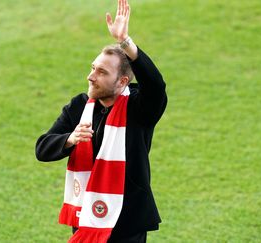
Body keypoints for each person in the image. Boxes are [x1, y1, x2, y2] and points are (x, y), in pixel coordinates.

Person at [35, 0, 167, 242]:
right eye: (93, 68)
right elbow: (42, 148)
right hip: (87, 217)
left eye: (102, 72)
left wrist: (126, 42)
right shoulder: (79, 107)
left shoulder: (139, 108)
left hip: (127, 221)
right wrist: (70, 139)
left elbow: (156, 86)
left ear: (122, 82)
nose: (91, 76)